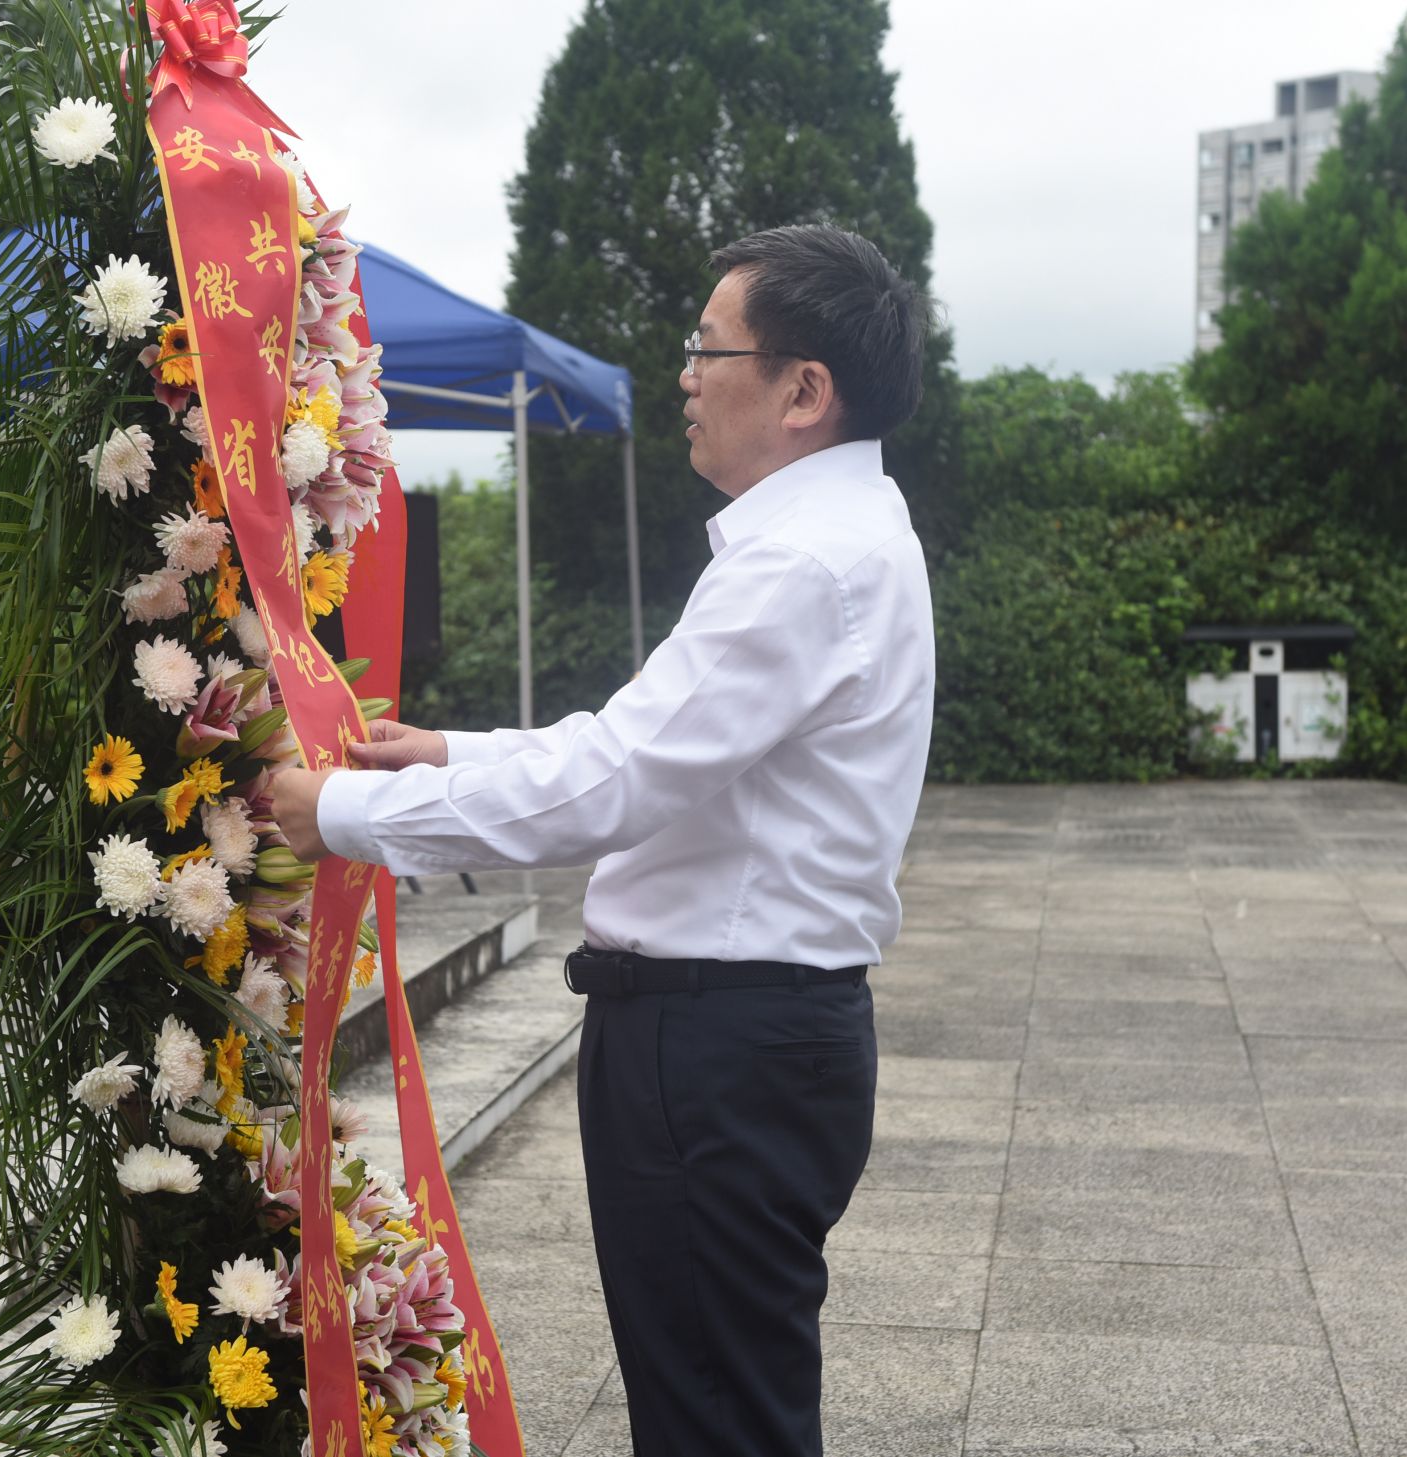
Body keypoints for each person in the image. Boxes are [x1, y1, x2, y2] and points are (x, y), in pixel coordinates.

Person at [272, 223, 936, 1457]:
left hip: (720, 1046)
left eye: (709, 347)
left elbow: (612, 787)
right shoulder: (838, 534)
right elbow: (640, 745)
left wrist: (343, 813)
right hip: (746, 1035)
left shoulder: (802, 560)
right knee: (722, 1402)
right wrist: (452, 754)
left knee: (713, 1419)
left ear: (803, 389)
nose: (686, 375)